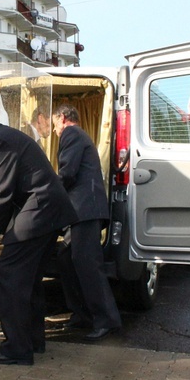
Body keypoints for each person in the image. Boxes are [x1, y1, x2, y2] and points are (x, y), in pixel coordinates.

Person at [0, 103, 77, 366]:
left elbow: (3, 197)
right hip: (47, 213)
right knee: (29, 279)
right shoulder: (6, 135)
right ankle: (33, 341)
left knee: (8, 274)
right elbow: (13, 192)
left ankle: (17, 348)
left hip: (39, 213)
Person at [52, 104, 122, 341]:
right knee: (65, 257)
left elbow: (67, 173)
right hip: (82, 211)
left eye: (54, 125)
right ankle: (81, 314)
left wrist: (49, 195)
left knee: (88, 265)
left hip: (85, 210)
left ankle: (106, 320)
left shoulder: (71, 133)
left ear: (62, 118)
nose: (54, 131)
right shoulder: (81, 136)